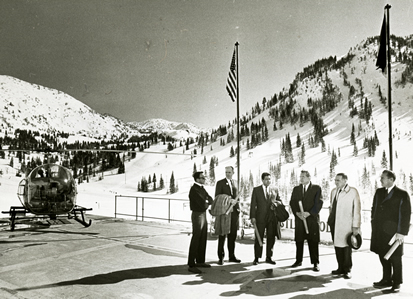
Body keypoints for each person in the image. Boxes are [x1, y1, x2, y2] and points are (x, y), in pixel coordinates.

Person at [370, 170, 411, 293]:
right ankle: (386, 279)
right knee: (382, 255)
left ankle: (397, 282)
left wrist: (402, 232)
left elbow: (406, 214)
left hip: (394, 233)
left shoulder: (402, 194)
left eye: (383, 178)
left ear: (391, 180)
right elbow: (374, 208)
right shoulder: (379, 192)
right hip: (379, 231)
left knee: (395, 258)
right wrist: (373, 221)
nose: (380, 180)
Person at [327, 173, 361, 279]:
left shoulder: (352, 192)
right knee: (337, 246)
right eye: (335, 180)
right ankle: (340, 267)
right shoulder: (333, 191)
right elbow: (331, 206)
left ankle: (347, 269)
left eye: (338, 180)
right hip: (335, 224)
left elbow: (357, 209)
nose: (336, 182)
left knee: (346, 247)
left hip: (346, 224)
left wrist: (356, 226)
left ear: (345, 180)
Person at [289, 170, 323, 271]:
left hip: (311, 220)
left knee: (313, 241)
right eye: (300, 176)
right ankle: (298, 260)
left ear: (309, 178)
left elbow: (319, 203)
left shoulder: (316, 188)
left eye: (303, 176)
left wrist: (309, 213)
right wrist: (297, 213)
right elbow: (292, 202)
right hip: (300, 220)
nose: (301, 178)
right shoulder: (296, 189)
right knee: (299, 240)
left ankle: (315, 262)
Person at [250, 172, 282, 265]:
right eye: (266, 179)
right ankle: (256, 257)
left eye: (269, 179)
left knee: (271, 238)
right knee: (258, 237)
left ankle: (269, 257)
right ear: (262, 180)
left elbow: (279, 201)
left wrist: (275, 204)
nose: (268, 181)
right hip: (260, 218)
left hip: (272, 218)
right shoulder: (256, 190)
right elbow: (253, 204)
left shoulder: (275, 189)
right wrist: (252, 217)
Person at [187, 171, 214, 274]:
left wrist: (206, 201)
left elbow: (209, 199)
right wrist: (206, 202)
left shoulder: (201, 188)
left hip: (203, 214)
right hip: (197, 214)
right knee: (196, 237)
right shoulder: (194, 189)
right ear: (197, 179)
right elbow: (202, 203)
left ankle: (200, 260)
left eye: (204, 178)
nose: (204, 179)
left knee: (203, 237)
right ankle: (191, 264)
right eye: (202, 178)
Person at [214, 166, 241, 265]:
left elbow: (237, 197)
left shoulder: (235, 182)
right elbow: (217, 197)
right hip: (224, 212)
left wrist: (238, 206)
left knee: (232, 235)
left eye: (229, 172)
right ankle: (221, 257)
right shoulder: (220, 183)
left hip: (234, 213)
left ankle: (232, 256)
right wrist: (229, 200)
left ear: (233, 172)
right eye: (226, 172)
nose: (228, 174)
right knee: (222, 234)